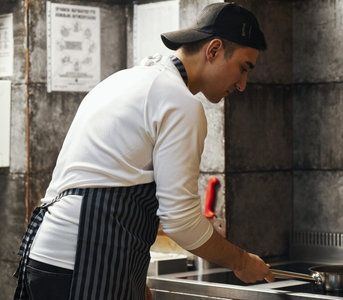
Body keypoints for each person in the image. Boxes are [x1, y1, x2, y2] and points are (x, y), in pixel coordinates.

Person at [13, 3, 274, 300]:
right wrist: (241, 261)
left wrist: (132, 274)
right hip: (85, 263)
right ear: (213, 50)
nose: (242, 85)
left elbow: (90, 180)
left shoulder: (124, 81)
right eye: (243, 68)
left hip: (46, 256)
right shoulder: (179, 103)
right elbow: (181, 221)